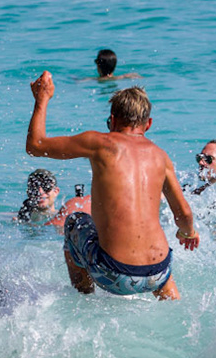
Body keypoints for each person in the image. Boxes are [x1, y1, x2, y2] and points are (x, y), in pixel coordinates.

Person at [25, 74, 198, 299]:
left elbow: (35, 146)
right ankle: (172, 301)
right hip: (159, 271)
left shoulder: (101, 143)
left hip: (113, 272)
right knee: (157, 249)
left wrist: (42, 99)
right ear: (149, 124)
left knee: (74, 220)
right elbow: (184, 214)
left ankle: (84, 298)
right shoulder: (161, 157)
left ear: (112, 120)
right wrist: (188, 233)